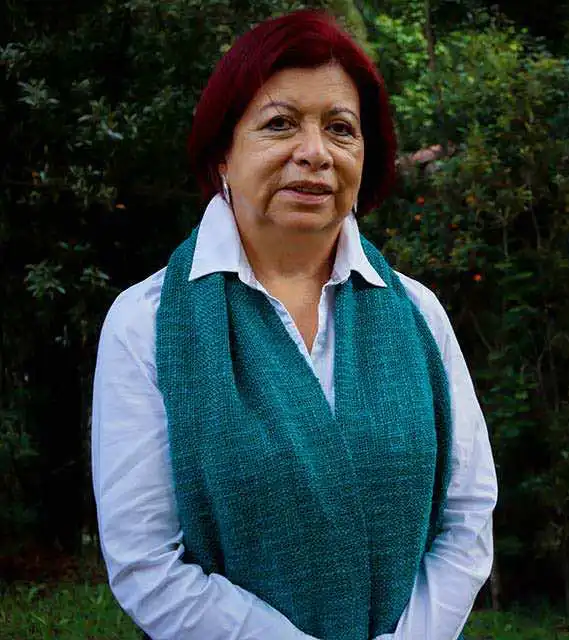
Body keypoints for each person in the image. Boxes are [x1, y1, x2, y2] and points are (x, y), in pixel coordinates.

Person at [91, 10, 497, 640]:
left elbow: (466, 517)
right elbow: (146, 562)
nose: (314, 153)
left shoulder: (418, 315)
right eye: (280, 124)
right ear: (223, 153)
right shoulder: (147, 325)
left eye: (341, 129)